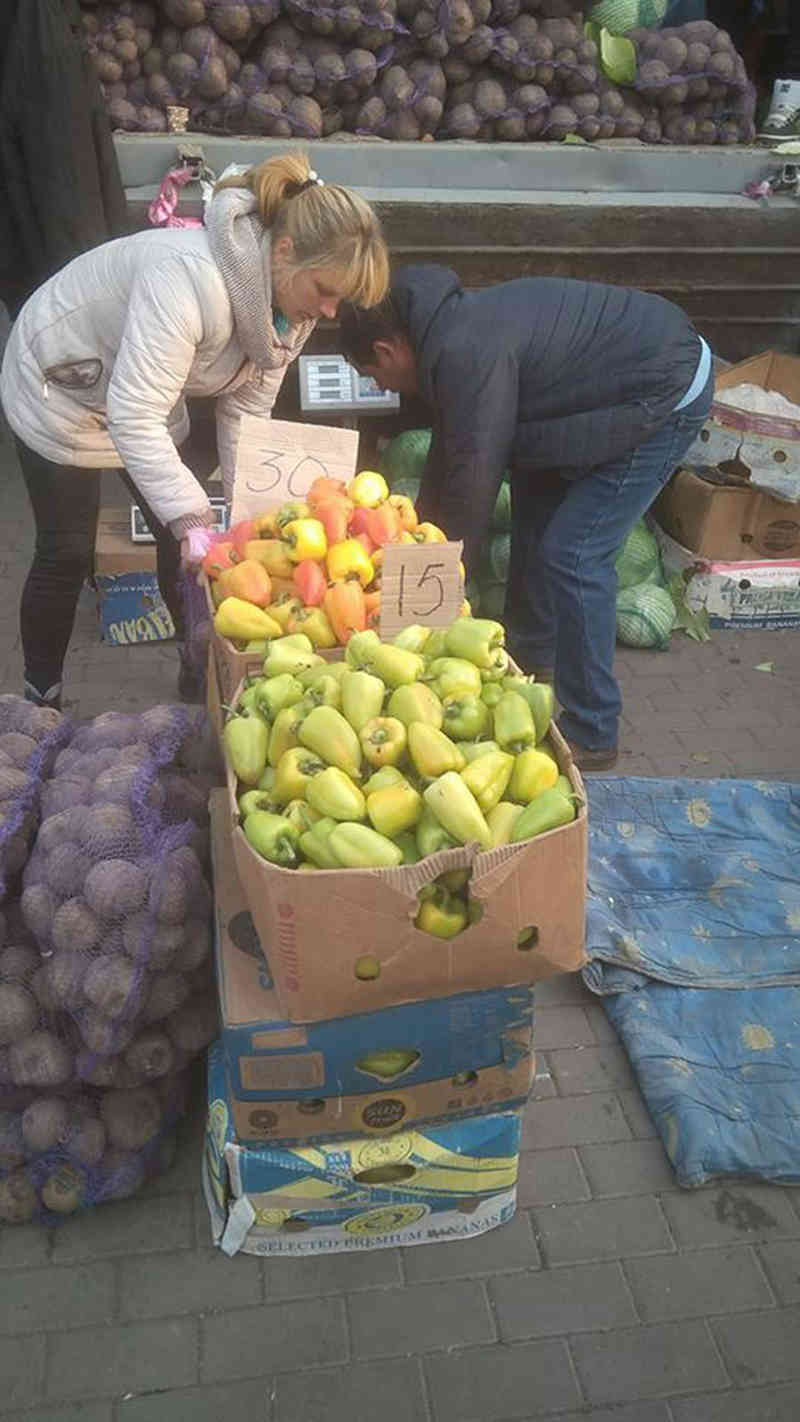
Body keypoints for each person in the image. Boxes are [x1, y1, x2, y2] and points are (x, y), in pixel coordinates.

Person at [0, 152, 389, 709]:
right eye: (325, 289)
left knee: (179, 541)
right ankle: (40, 700)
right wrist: (193, 516)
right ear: (283, 251)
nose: (330, 311)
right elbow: (135, 414)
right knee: (66, 548)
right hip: (61, 380)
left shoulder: (289, 307)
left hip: (142, 390)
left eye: (340, 299)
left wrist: (255, 519)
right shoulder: (184, 281)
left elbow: (246, 412)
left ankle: (201, 668)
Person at [339, 266, 713, 771]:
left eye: (373, 376)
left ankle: (593, 730)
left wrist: (429, 590)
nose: (382, 385)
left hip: (662, 393)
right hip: (584, 404)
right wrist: (419, 537)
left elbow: (473, 480)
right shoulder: (448, 333)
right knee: (532, 525)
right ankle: (529, 664)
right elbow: (452, 452)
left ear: (386, 351)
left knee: (574, 554)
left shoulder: (463, 351)